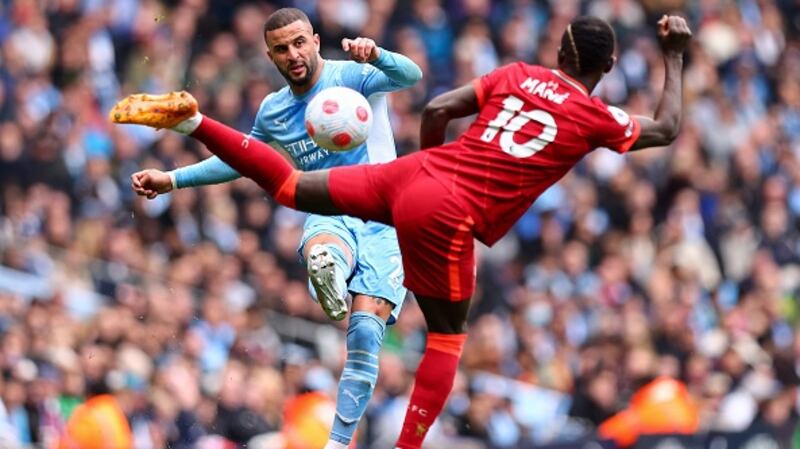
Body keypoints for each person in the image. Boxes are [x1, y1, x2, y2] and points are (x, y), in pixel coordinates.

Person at [111, 14, 692, 449]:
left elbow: (434, 102)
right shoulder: (596, 116)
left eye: (297, 43)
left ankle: (193, 119)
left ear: (559, 47)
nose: (291, 54)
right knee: (445, 340)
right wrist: (674, 54)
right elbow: (665, 127)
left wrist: (431, 170)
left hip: (408, 177)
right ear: (608, 67)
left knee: (288, 189)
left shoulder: (518, 74)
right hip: (445, 214)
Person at [127, 8, 422, 449]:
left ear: (316, 41)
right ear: (270, 56)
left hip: (385, 221)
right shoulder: (275, 109)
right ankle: (330, 269)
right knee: (324, 244)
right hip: (330, 210)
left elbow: (411, 75)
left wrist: (377, 54)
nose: (293, 54)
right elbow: (240, 160)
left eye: (300, 42)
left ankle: (338, 444)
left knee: (364, 334)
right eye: (282, 49)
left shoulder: (355, 75)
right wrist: (173, 178)